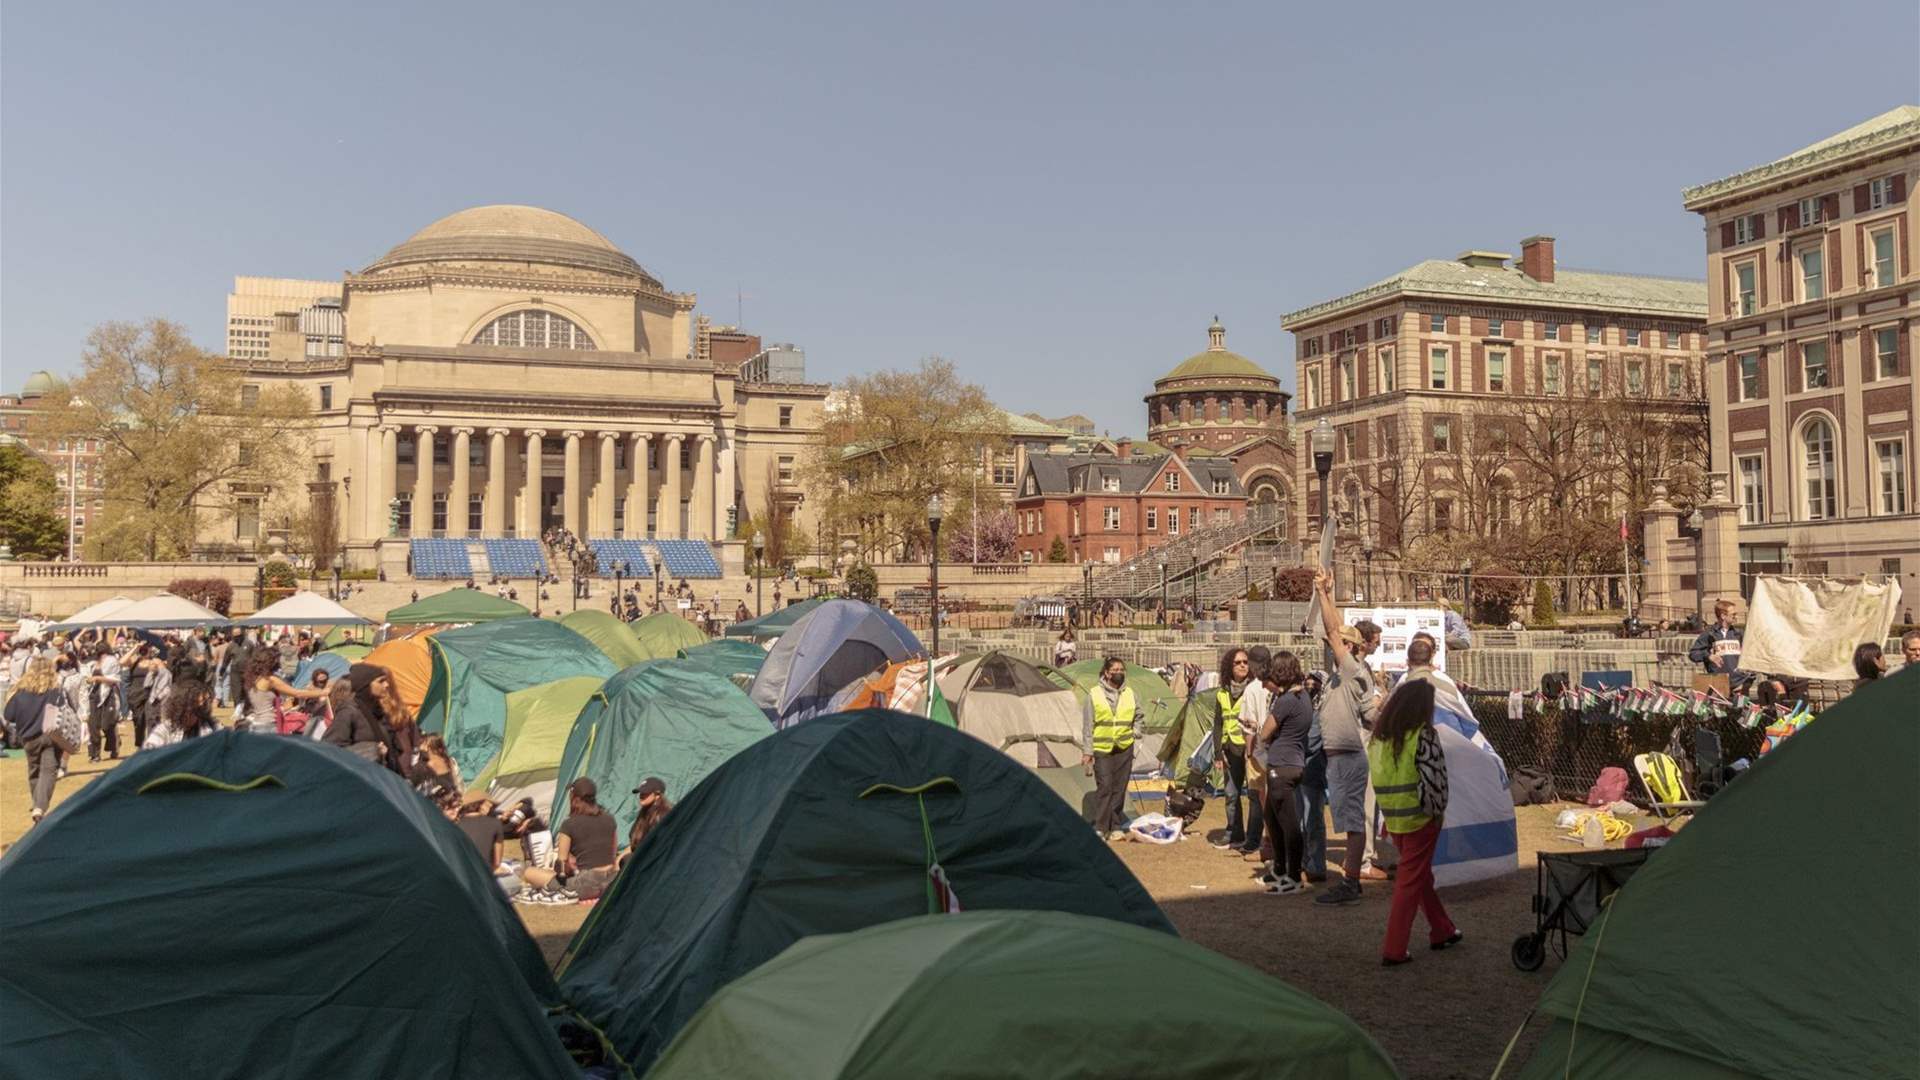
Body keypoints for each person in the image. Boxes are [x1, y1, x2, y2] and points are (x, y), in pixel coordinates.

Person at [1368, 680, 1462, 965]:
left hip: (1394, 818)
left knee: (1418, 878)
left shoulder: (1378, 738)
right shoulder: (1423, 735)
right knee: (1410, 883)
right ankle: (1394, 949)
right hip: (1421, 818)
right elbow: (1435, 781)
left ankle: (1442, 929)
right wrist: (1436, 812)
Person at [1309, 566, 1385, 907]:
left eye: (1340, 644)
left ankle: (1352, 881)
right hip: (1341, 755)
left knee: (1353, 822)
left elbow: (1332, 628)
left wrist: (1324, 593)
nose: (1332, 645)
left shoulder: (1352, 669)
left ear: (1351, 649)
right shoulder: (1347, 676)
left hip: (1348, 757)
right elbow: (1371, 717)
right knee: (1350, 820)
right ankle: (1353, 877)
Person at [1256, 650, 1312, 895]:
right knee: (1272, 817)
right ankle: (1280, 869)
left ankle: (1293, 876)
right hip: (1294, 762)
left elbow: (1266, 732)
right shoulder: (1301, 696)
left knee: (1288, 824)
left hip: (1282, 765)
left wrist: (1260, 733)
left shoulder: (1287, 700)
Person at [1205, 648, 1261, 854]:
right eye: (1238, 662)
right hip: (1230, 750)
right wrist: (1218, 752)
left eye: (1245, 662)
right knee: (1231, 794)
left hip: (1252, 750)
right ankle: (1235, 833)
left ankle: (1255, 837)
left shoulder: (1255, 689)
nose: (1243, 665)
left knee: (1255, 795)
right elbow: (1218, 724)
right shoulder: (1221, 693)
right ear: (1230, 666)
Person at [1080, 656, 1138, 841]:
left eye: (1122, 670)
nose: (1119, 673)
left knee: (1119, 787)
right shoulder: (1094, 694)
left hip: (1124, 746)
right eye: (1115, 670)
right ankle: (1100, 826)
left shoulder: (1130, 693)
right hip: (1102, 748)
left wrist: (1136, 732)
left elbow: (1139, 715)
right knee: (1105, 786)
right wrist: (1087, 751)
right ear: (1106, 672)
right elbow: (1088, 725)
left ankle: (1115, 826)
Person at [5, 658, 64, 825]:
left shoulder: (20, 693)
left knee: (34, 771)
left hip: (28, 738)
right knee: (48, 771)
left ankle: (37, 805)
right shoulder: (55, 691)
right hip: (50, 735)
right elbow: (65, 709)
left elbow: (9, 715)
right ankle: (40, 806)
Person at [551, 778, 619, 899]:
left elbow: (561, 866)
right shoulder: (610, 819)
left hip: (586, 883)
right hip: (611, 880)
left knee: (531, 873)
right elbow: (613, 856)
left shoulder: (569, 824)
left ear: (575, 799)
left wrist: (570, 868)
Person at [454, 795, 522, 897]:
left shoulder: (454, 825)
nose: (490, 807)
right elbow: (497, 863)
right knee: (515, 880)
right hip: (483, 881)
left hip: (459, 879)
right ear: (480, 805)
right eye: (488, 804)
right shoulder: (495, 823)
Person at [1298, 670, 1330, 883]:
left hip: (1313, 772)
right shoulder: (1301, 705)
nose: (1311, 684)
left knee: (1313, 821)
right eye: (1308, 680)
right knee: (1301, 821)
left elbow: (1312, 740)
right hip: (1299, 772)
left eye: (1315, 681)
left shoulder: (1323, 709)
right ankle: (1303, 861)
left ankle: (1316, 865)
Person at [1688, 599, 1749, 688]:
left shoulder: (1739, 634)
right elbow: (1693, 654)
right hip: (1718, 684)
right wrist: (1708, 656)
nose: (1736, 617)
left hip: (1739, 684)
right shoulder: (1709, 634)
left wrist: (1747, 681)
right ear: (1723, 616)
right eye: (1733, 614)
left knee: (1740, 702)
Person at [144, 678, 219, 747]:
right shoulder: (165, 729)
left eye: (198, 710)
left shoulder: (211, 725)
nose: (193, 716)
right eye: (192, 711)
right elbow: (148, 753)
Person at [619, 776, 673, 868]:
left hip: (653, 864)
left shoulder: (663, 815)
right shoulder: (644, 813)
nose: (641, 795)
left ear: (657, 795)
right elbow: (634, 845)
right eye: (640, 792)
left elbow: (659, 848)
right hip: (639, 858)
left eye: (645, 792)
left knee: (627, 860)